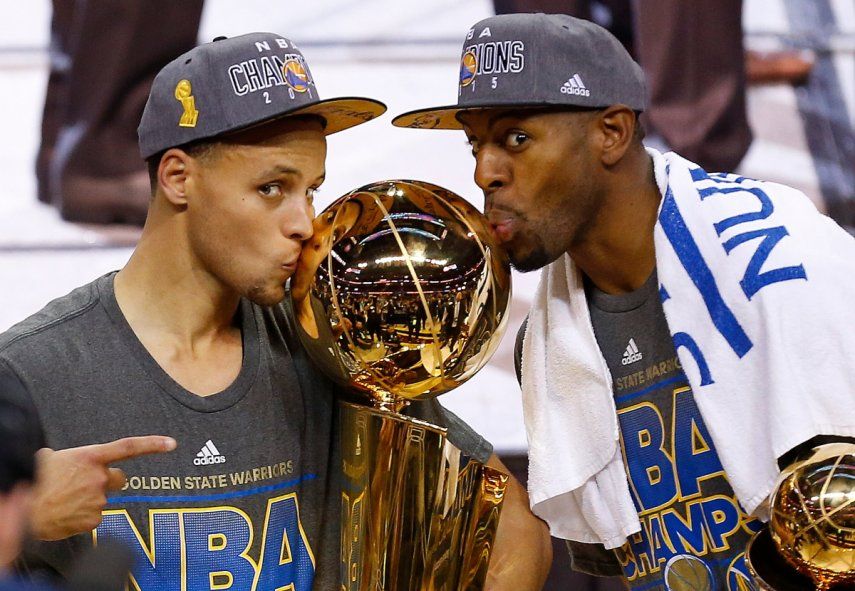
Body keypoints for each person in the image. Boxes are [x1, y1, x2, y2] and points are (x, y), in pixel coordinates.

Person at [3, 33, 551, 590]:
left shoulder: (328, 340)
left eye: (311, 190)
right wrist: (19, 519)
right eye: (272, 188)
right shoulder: (29, 371)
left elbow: (513, 527)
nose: (304, 224)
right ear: (177, 178)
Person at [393, 13, 855, 590]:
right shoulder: (550, 346)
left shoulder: (787, 264)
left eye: (515, 138)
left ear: (611, 132)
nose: (485, 172)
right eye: (475, 143)